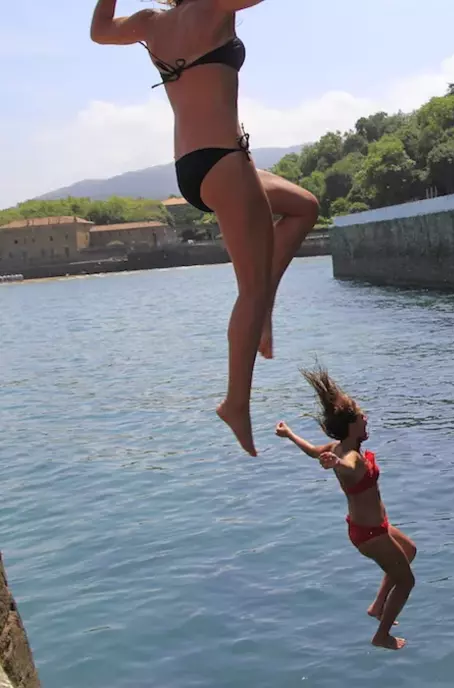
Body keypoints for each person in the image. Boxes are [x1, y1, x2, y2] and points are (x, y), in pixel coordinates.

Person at [90, 0, 320, 456]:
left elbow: (99, 30)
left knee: (304, 207)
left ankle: (264, 313)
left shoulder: (149, 24)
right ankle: (235, 403)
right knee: (249, 292)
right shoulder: (214, 7)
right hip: (225, 162)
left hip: (192, 167)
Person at [276, 367, 417, 649]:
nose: (366, 419)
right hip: (370, 535)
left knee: (410, 550)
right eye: (362, 417)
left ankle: (378, 606)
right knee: (406, 583)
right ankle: (382, 636)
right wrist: (336, 464)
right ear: (352, 426)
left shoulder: (338, 446)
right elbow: (348, 465)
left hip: (373, 528)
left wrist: (289, 434)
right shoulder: (350, 456)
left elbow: (311, 450)